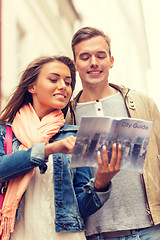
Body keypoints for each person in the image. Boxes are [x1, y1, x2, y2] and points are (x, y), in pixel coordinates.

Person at [0, 55, 122, 240]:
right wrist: (48, 149)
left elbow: (80, 208)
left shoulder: (76, 135)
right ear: (31, 86)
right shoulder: (5, 132)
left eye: (68, 82)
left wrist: (101, 183)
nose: (63, 86)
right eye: (53, 79)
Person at [65, 26, 160, 239]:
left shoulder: (141, 103)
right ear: (75, 65)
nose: (94, 62)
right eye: (85, 57)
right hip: (97, 234)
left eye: (100, 55)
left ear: (111, 60)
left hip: (151, 229)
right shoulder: (66, 116)